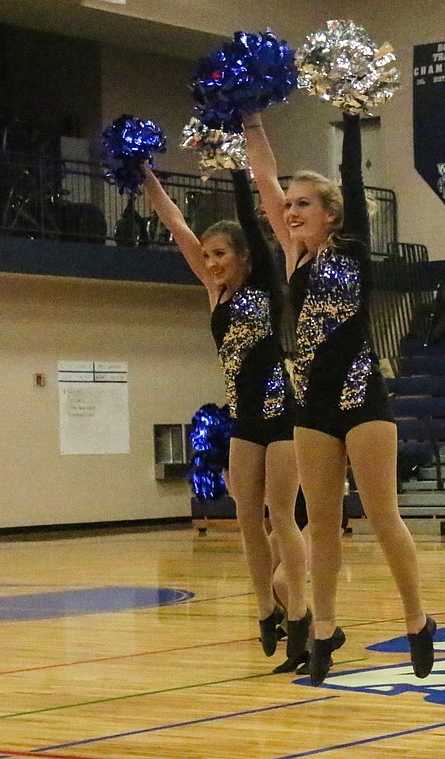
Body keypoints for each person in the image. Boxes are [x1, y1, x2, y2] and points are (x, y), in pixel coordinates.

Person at [244, 110, 435, 685]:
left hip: (364, 400)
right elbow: (262, 176)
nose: (293, 210)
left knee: (381, 515)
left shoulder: (350, 250)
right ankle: (323, 626)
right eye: (289, 204)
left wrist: (352, 119)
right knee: (322, 523)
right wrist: (250, 116)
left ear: (331, 214)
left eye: (305, 203)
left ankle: (416, 618)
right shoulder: (293, 255)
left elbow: (351, 175)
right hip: (312, 408)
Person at [142, 166, 309, 669]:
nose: (211, 263)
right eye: (208, 255)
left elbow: (253, 225)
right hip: (244, 419)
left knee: (281, 515)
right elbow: (176, 224)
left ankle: (300, 617)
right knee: (244, 517)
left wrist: (238, 172)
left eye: (221, 255)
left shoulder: (267, 284)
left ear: (244, 257)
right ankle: (265, 609)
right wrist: (143, 174)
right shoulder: (215, 293)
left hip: (283, 415)